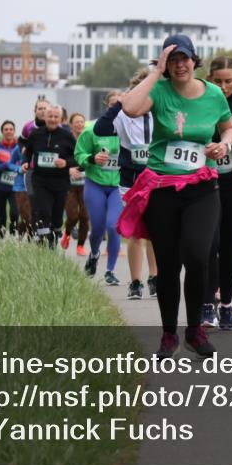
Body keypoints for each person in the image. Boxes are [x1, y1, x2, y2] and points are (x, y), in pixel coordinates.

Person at [118, 34, 232, 360]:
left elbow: (229, 127)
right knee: (167, 266)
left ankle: (195, 330)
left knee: (198, 256)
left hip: (202, 187)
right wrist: (156, 73)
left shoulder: (212, 94)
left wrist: (224, 144)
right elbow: (129, 107)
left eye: (184, 58)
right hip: (162, 190)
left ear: (194, 60)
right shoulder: (159, 90)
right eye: (172, 60)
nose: (180, 65)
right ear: (166, 64)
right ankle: (169, 335)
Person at [201, 56, 232, 329]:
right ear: (209, 79)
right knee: (209, 244)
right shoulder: (201, 101)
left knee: (229, 247)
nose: (223, 86)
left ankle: (227, 305)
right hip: (206, 182)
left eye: (228, 81)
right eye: (217, 81)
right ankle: (207, 304)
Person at [108, 68, 160, 299]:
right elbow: (105, 128)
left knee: (156, 231)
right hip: (131, 177)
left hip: (158, 175)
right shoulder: (123, 115)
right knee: (135, 232)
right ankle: (136, 281)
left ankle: (155, 277)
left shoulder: (163, 111)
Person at [79, 104, 125, 283]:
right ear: (108, 108)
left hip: (118, 186)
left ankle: (110, 271)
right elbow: (79, 154)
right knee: (97, 229)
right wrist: (92, 158)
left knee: (113, 227)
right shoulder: (91, 130)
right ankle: (95, 253)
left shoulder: (130, 131)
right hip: (95, 184)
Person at [20, 104, 77, 248]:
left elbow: (77, 156)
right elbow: (28, 152)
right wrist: (26, 162)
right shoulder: (35, 134)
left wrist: (66, 162)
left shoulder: (67, 136)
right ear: (44, 117)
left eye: (55, 117)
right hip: (40, 181)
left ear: (60, 119)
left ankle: (56, 230)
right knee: (43, 212)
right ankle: (44, 242)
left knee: (57, 216)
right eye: (50, 116)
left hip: (60, 182)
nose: (52, 119)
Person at [61, 112, 92, 257]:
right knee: (73, 215)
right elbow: (60, 160)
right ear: (71, 124)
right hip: (69, 185)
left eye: (82, 122)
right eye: (77, 122)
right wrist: (68, 169)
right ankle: (67, 233)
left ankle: (80, 245)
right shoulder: (66, 140)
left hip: (87, 183)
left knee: (85, 216)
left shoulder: (90, 139)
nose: (80, 124)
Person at [0, 120, 22, 238]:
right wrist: (5, 166)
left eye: (11, 129)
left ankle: (13, 236)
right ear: (2, 132)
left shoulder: (19, 148)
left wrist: (16, 167)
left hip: (15, 187)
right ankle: (1, 241)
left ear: (14, 131)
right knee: (2, 216)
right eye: (6, 129)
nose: (9, 131)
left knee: (15, 213)